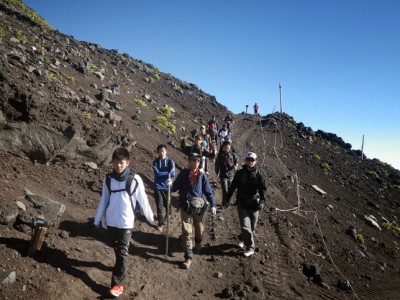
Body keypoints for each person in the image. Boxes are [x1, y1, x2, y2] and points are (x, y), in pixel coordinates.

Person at [94, 147, 154, 297]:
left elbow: (143, 199)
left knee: (122, 251)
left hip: (126, 222)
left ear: (128, 163)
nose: (118, 166)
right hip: (111, 220)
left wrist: (150, 216)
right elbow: (104, 200)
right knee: (117, 250)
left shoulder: (134, 179)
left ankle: (118, 284)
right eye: (115, 163)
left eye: (121, 163)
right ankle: (120, 268)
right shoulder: (108, 179)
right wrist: (98, 219)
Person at [171, 153, 217, 269]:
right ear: (189, 161)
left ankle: (198, 242)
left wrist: (213, 204)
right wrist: (169, 184)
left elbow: (208, 191)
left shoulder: (202, 176)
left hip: (198, 207)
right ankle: (188, 257)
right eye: (193, 160)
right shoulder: (183, 174)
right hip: (185, 206)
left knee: (199, 227)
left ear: (199, 162)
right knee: (186, 231)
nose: (196, 162)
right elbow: (174, 188)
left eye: (198, 160)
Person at [227, 152, 267, 257]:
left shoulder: (259, 174)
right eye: (248, 159)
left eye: (252, 160)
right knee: (245, 226)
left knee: (252, 227)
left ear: (255, 161)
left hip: (254, 204)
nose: (250, 162)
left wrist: (262, 202)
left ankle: (240, 238)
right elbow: (232, 186)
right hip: (242, 203)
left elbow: (263, 190)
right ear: (245, 160)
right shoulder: (240, 173)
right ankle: (250, 248)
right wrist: (227, 199)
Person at [152, 144, 175, 231]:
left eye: (163, 151)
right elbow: (156, 173)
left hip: (167, 186)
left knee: (168, 204)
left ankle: (169, 214)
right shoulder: (155, 162)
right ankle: (160, 223)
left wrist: (163, 174)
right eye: (159, 151)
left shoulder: (170, 162)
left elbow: (173, 173)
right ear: (157, 152)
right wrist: (167, 173)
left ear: (166, 151)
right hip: (158, 186)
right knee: (159, 206)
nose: (161, 153)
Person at [215, 140, 238, 207]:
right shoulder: (220, 155)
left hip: (231, 175)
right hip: (223, 175)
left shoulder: (233, 154)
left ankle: (225, 200)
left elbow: (236, 161)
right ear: (223, 147)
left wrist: (236, 166)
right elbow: (217, 164)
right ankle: (225, 203)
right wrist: (217, 171)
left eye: (228, 147)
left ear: (230, 147)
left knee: (230, 190)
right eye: (225, 147)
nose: (227, 148)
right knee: (225, 189)